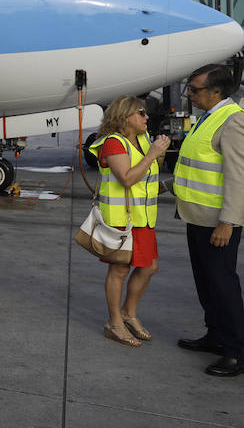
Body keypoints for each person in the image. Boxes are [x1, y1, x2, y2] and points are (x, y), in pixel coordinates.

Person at [173, 64, 244, 377]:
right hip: (197, 216)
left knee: (223, 284)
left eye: (195, 89)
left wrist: (228, 222)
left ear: (216, 91)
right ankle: (215, 335)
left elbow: (238, 178)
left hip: (218, 223)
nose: (189, 93)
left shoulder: (233, 121)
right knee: (206, 283)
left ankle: (236, 353)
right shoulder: (207, 117)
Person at [88, 96, 170, 348]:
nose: (147, 117)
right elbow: (126, 178)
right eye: (141, 113)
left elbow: (148, 178)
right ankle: (115, 323)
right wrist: (153, 154)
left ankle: (128, 313)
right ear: (125, 117)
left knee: (149, 267)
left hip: (142, 218)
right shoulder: (113, 143)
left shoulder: (143, 140)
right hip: (121, 219)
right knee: (120, 270)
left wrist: (160, 160)